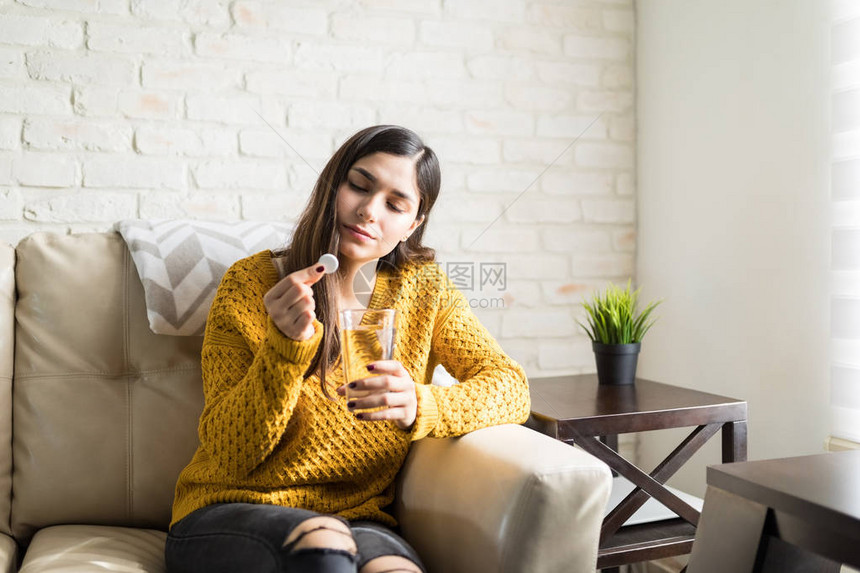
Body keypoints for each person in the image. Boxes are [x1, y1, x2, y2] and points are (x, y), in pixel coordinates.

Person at [164, 125, 530, 573]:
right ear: (331, 184)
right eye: (359, 185)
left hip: (360, 519)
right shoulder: (253, 284)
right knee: (324, 545)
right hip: (230, 509)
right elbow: (231, 452)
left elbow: (511, 386)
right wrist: (285, 348)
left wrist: (422, 402)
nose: (369, 211)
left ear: (412, 224)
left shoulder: (423, 289)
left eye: (395, 204)